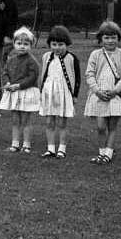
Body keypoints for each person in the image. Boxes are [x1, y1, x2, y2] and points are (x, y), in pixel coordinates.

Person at [84, 21, 121, 164]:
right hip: (99, 94)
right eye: (106, 37)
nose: (110, 40)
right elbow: (89, 74)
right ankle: (102, 152)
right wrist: (97, 91)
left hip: (115, 96)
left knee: (112, 126)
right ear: (101, 39)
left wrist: (115, 90)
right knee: (100, 127)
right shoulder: (95, 54)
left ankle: (108, 153)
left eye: (113, 37)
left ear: (118, 38)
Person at [39, 25, 80, 159]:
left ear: (67, 44)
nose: (57, 47)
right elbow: (44, 75)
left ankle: (62, 148)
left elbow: (77, 78)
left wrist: (75, 95)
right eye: (54, 44)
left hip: (64, 93)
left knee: (62, 122)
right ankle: (50, 149)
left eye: (60, 44)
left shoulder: (72, 58)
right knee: (49, 122)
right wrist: (41, 92)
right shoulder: (46, 56)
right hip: (49, 92)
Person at [0, 27, 41, 153]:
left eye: (26, 44)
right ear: (14, 44)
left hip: (26, 92)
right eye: (19, 43)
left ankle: (26, 145)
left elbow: (32, 77)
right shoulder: (11, 59)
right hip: (14, 92)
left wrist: (19, 86)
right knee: (15, 119)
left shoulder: (32, 61)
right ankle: (15, 143)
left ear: (31, 45)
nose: (22, 46)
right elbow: (5, 72)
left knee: (26, 119)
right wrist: (7, 83)